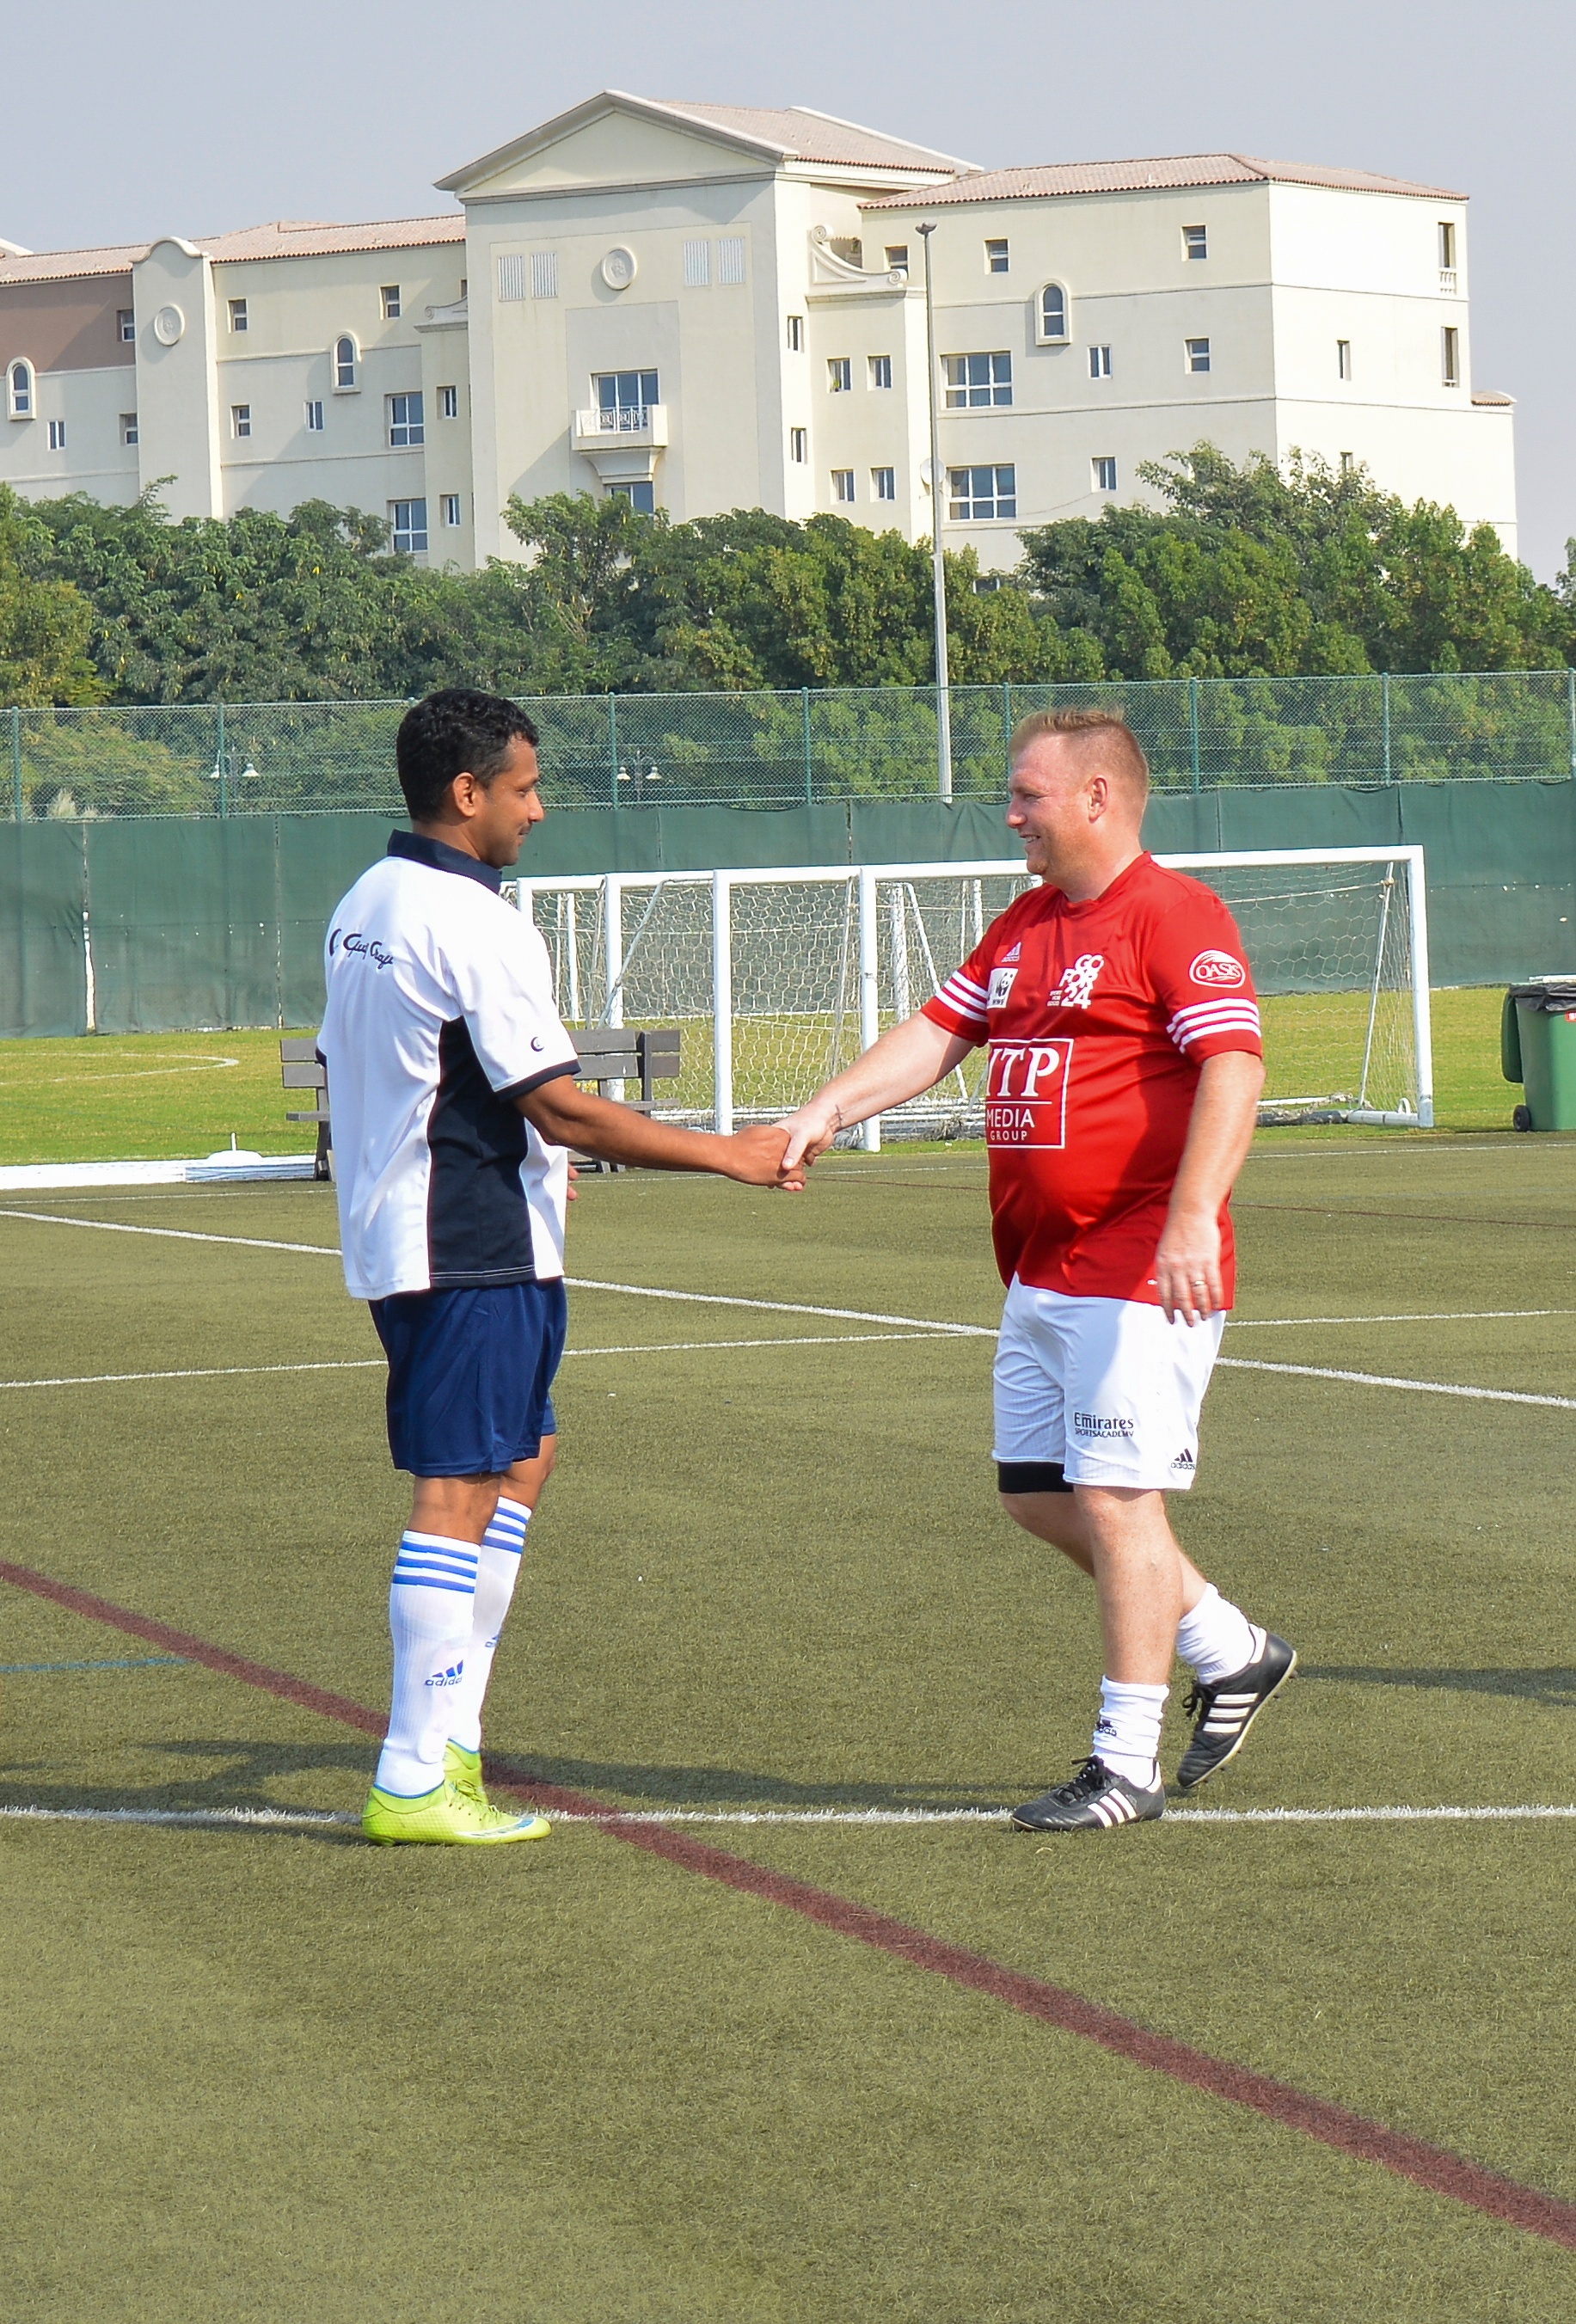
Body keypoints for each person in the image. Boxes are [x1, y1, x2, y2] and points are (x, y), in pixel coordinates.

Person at [778, 708, 1293, 1833]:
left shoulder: (1173, 915)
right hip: (1040, 1271)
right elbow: (933, 1036)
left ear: (1097, 799)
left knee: (1115, 1502)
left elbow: (1234, 1068)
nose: (1009, 813)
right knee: (1035, 1496)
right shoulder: (1024, 923)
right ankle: (1230, 1649)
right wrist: (827, 1104)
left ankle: (1125, 1766)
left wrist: (1194, 1215)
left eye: (1026, 795)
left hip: (1137, 1269)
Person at [320, 689, 788, 1846]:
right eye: (524, 787)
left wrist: (518, 1142)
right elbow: (563, 1108)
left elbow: (406, 1070)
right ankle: (414, 1775)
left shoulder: (364, 899)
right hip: (467, 1240)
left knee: (523, 1455)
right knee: (461, 1485)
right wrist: (724, 1153)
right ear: (466, 793)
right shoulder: (476, 921)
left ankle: (453, 1742)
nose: (539, 809)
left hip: (421, 1229)